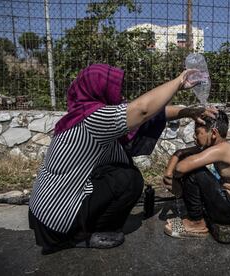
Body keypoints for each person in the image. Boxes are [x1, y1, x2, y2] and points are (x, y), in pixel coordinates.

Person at [28, 64, 217, 254]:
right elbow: (142, 110)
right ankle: (81, 235)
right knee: (129, 180)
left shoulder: (81, 114)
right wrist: (179, 81)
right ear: (99, 88)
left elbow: (152, 115)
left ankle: (81, 225)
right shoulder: (93, 118)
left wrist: (188, 112)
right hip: (55, 221)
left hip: (45, 212)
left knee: (119, 171)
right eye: (112, 87)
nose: (119, 93)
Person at [162, 110, 230, 243]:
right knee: (191, 163)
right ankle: (197, 219)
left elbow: (181, 167)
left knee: (193, 171)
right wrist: (176, 159)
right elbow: (182, 155)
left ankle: (196, 223)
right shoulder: (222, 148)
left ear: (214, 133)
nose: (195, 137)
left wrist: (174, 178)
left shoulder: (222, 150)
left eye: (198, 133)